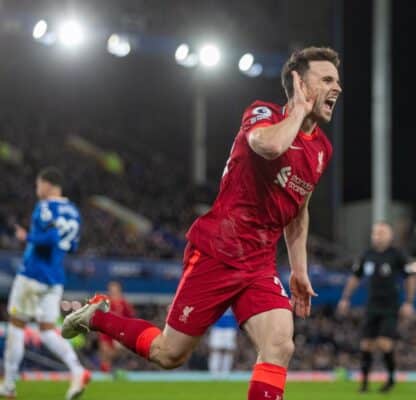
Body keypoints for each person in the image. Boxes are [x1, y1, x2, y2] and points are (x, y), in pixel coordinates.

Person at [62, 46, 342, 400]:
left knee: (280, 344)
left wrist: (299, 269)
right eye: (327, 80)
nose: (337, 88)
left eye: (338, 80)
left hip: (258, 262)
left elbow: (299, 210)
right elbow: (268, 147)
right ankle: (95, 317)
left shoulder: (322, 150)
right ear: (300, 84)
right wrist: (299, 110)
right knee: (169, 354)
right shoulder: (263, 114)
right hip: (218, 250)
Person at [0, 167, 90, 399]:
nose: (37, 189)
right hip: (55, 277)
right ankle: (77, 370)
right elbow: (72, 246)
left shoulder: (45, 207)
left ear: (48, 185)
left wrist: (26, 237)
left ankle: (8, 385)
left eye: (38, 185)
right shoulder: (74, 212)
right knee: (48, 330)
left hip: (33, 275)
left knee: (16, 326)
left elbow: (49, 238)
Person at [337, 222, 416, 393]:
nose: (377, 236)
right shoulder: (367, 255)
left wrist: (409, 302)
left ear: (390, 235)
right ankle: (364, 384)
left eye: (382, 232)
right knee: (365, 345)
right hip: (371, 305)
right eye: (375, 232)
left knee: (384, 344)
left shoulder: (397, 255)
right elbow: (355, 277)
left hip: (390, 306)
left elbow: (410, 277)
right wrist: (345, 298)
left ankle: (390, 379)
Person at [98, 281, 135, 372]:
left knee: (113, 352)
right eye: (111, 289)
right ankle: (105, 369)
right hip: (106, 331)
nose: (113, 291)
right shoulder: (106, 302)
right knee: (104, 350)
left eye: (115, 289)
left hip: (118, 332)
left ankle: (111, 367)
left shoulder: (124, 303)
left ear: (119, 290)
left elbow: (130, 317)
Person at [208, 308, 238, 375]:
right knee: (215, 349)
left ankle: (226, 372)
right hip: (217, 326)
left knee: (229, 350)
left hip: (230, 326)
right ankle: (213, 372)